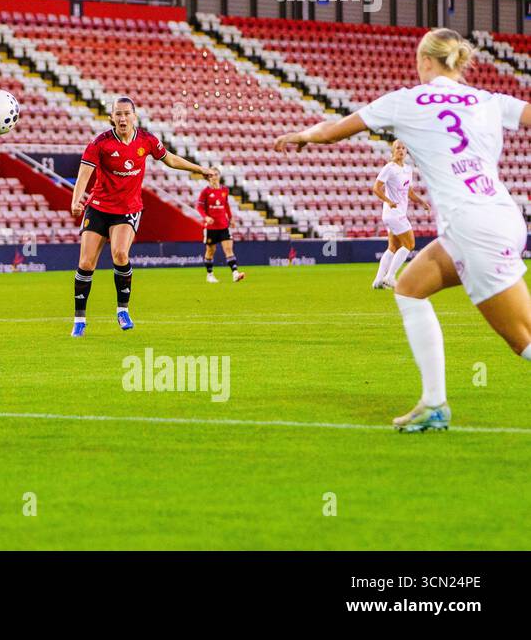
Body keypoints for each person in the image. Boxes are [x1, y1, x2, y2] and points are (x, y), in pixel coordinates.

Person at [276, 28, 531, 432]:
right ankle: (433, 404)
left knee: (524, 342)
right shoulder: (488, 100)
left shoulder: (407, 100)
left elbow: (336, 129)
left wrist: (303, 135)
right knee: (410, 287)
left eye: (418, 59)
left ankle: (435, 404)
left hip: (474, 228)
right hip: (499, 215)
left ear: (427, 61)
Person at [69, 97, 216, 336]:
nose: (123, 118)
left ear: (135, 116)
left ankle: (122, 310)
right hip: (98, 207)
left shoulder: (146, 140)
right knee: (86, 263)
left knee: (120, 253)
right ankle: (79, 320)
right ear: (112, 117)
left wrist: (200, 170)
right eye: (118, 114)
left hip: (128, 209)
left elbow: (170, 159)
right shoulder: (100, 143)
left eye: (127, 113)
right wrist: (76, 199)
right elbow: (84, 173)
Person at [371, 139, 430, 290]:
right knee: (410, 244)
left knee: (393, 247)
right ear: (393, 151)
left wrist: (422, 202)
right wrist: (388, 200)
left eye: (403, 148)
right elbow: (376, 188)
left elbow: (409, 192)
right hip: (393, 212)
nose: (401, 150)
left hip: (396, 213)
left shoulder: (407, 169)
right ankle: (390, 277)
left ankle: (378, 281)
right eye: (398, 148)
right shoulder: (389, 168)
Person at [197, 171, 245, 283]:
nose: (214, 177)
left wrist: (231, 217)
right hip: (211, 227)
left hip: (223, 225)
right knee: (210, 251)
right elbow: (199, 207)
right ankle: (210, 275)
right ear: (208, 178)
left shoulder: (225, 190)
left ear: (219, 176)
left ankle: (235, 273)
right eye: (211, 175)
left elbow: (226, 205)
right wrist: (206, 217)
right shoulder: (205, 192)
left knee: (228, 249)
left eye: (215, 174)